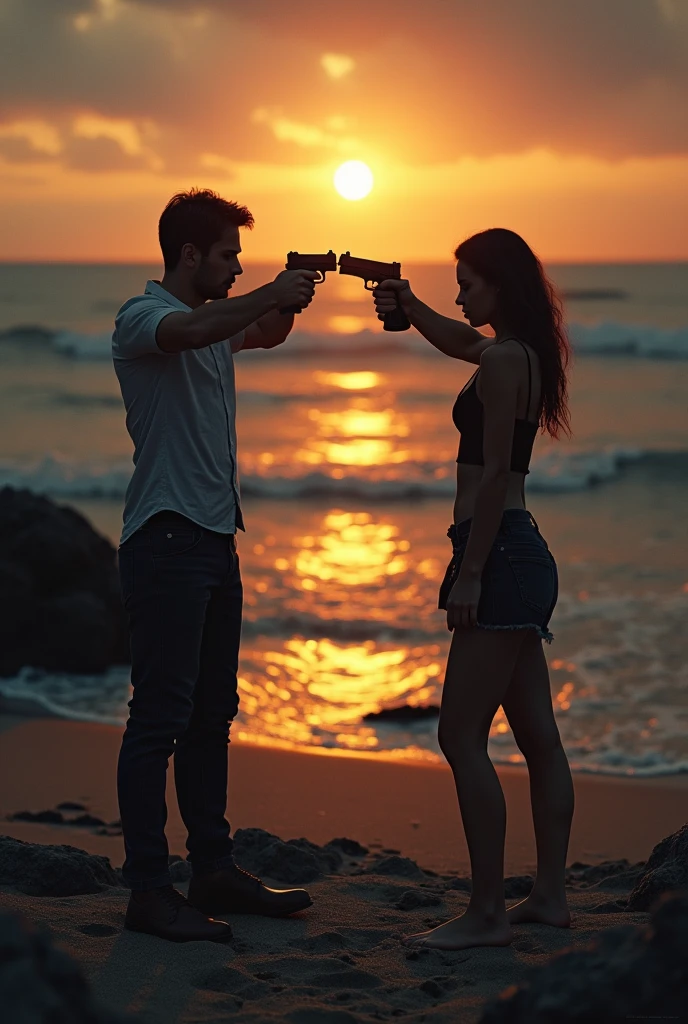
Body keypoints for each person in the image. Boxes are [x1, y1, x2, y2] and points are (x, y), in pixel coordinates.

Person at [113, 188, 318, 943]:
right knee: (158, 721)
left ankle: (212, 871)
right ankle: (146, 889)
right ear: (190, 255)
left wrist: (291, 298)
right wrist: (270, 292)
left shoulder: (213, 326)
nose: (237, 267)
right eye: (229, 255)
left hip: (213, 537)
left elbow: (260, 331)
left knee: (210, 719)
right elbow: (198, 325)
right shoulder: (142, 318)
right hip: (165, 539)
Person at [373, 228, 574, 951]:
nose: (460, 293)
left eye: (468, 282)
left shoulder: (502, 362)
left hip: (501, 553)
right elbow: (461, 342)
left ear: (500, 286)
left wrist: (472, 570)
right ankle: (548, 898)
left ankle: (487, 912)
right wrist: (413, 304)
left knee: (459, 735)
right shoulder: (514, 354)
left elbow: (492, 478)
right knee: (540, 742)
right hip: (522, 552)